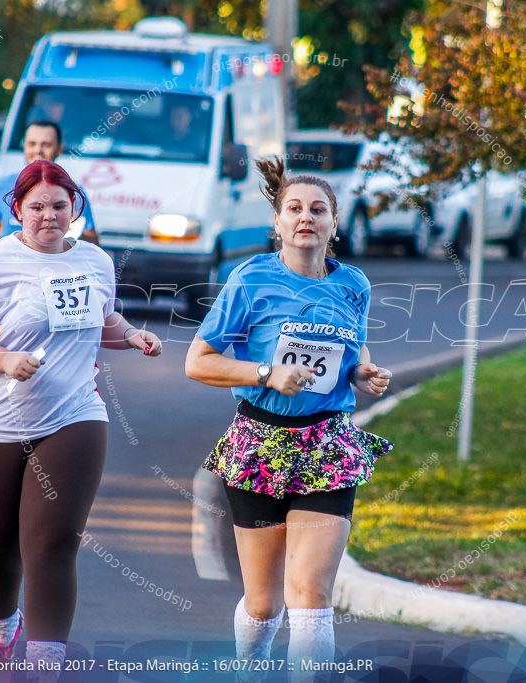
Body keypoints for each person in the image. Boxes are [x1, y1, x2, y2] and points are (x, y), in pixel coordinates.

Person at [0, 160, 160, 673]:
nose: (48, 216)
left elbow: (99, 319)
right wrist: (3, 360)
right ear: (17, 209)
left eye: (59, 206)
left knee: (52, 545)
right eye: (36, 206)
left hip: (75, 416)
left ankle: (44, 665)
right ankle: (0, 631)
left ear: (75, 207)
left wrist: (128, 335)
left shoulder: (96, 262)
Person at [184, 157, 393, 671]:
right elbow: (198, 362)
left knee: (310, 594)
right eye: (294, 209)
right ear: (277, 223)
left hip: (327, 445)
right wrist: (265, 374)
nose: (306, 217)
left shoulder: (354, 285)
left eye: (318, 210)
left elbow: (353, 350)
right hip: (260, 443)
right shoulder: (250, 280)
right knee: (263, 603)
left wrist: (362, 373)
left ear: (334, 224)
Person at [0, 120, 99, 250]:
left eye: (46, 145)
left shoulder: (73, 192)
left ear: (59, 149)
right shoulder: (1, 186)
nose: (38, 150)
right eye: (32, 144)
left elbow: (89, 240)